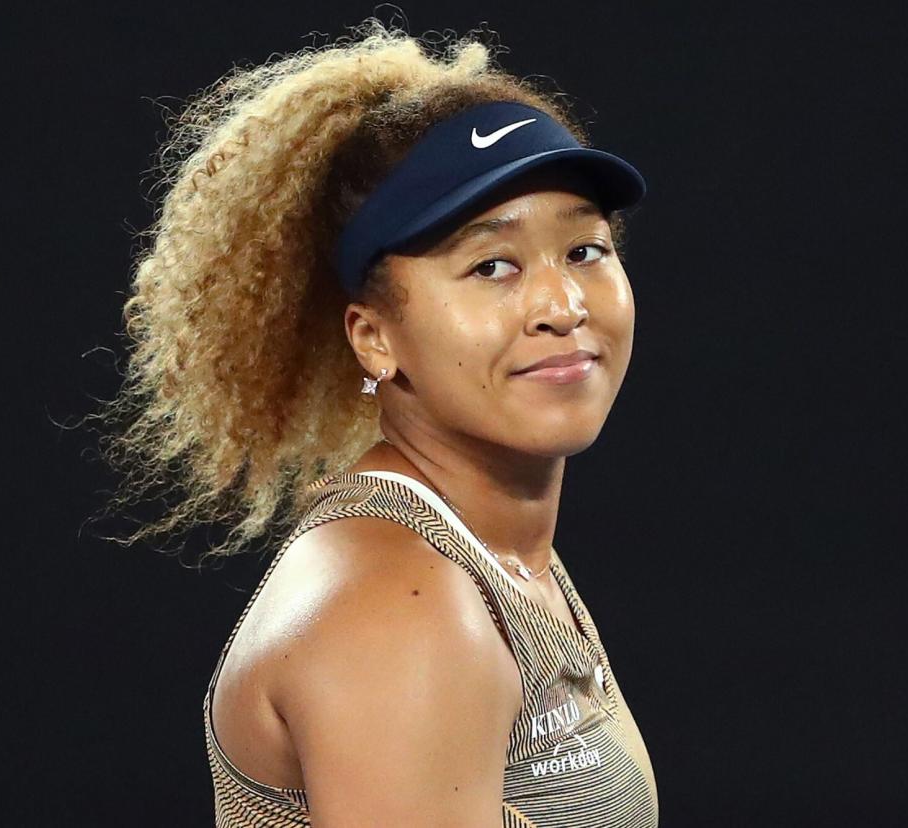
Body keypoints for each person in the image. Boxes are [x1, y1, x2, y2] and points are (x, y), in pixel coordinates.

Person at [102, 18, 656, 827]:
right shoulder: (401, 607)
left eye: (584, 250)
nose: (562, 306)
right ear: (375, 337)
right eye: (491, 266)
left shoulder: (495, 552)